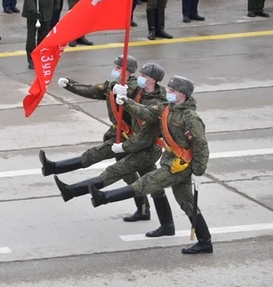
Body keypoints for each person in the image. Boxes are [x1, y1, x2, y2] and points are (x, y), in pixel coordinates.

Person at [90, 76, 213, 255]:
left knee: (147, 182)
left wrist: (199, 171)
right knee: (187, 203)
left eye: (173, 91)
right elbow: (145, 112)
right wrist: (125, 101)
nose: (169, 92)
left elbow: (201, 145)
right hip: (171, 160)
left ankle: (104, 197)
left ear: (183, 94)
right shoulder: (166, 109)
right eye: (169, 89)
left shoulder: (190, 118)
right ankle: (204, 241)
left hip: (181, 166)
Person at [52, 63, 176, 236]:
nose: (140, 77)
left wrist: (123, 147)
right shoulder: (140, 92)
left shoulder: (158, 102)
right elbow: (110, 90)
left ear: (152, 80)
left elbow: (145, 132)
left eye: (144, 75)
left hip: (147, 148)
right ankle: (161, 222)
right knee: (154, 187)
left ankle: (72, 191)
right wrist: (71, 85)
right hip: (136, 143)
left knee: (116, 171)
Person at [39, 56, 150, 221]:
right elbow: (92, 90)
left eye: (118, 68)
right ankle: (143, 210)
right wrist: (70, 85)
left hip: (130, 138)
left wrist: (127, 95)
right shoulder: (112, 86)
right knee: (129, 176)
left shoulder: (136, 89)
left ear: (127, 71)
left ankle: (55, 170)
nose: (115, 69)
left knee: (95, 155)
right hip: (117, 134)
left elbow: (144, 107)